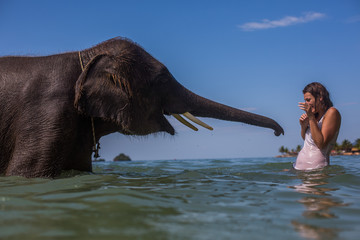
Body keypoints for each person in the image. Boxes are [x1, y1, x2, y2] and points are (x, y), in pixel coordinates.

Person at [294, 82, 341, 170]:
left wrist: (311, 118)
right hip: (299, 168)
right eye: (305, 101)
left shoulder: (332, 112)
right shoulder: (314, 116)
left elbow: (320, 144)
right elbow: (307, 140)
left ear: (320, 98)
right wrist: (303, 126)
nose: (306, 104)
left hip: (316, 170)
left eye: (308, 100)